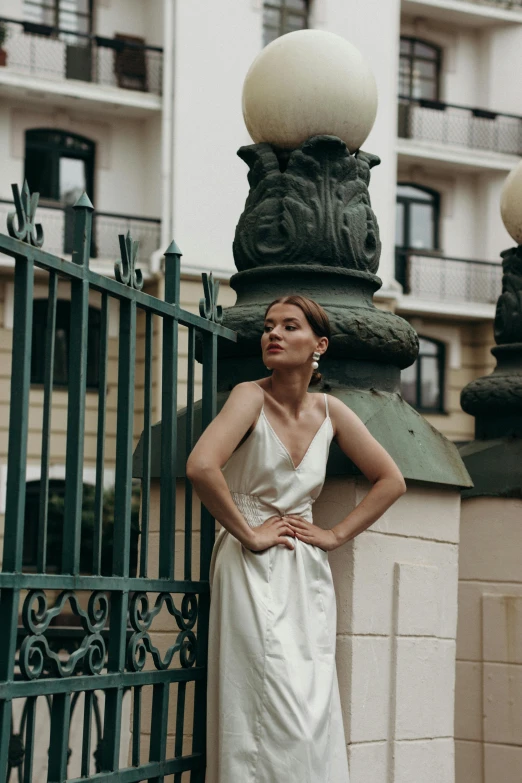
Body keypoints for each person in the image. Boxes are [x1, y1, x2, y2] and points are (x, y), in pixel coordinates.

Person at [186, 294, 406, 783]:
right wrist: (248, 533)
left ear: (318, 345)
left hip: (306, 572)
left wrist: (334, 534)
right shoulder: (249, 395)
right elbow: (202, 466)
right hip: (249, 563)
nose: (274, 334)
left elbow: (391, 480)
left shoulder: (332, 411)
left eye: (289, 326)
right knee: (263, 700)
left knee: (310, 702)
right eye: (268, 327)